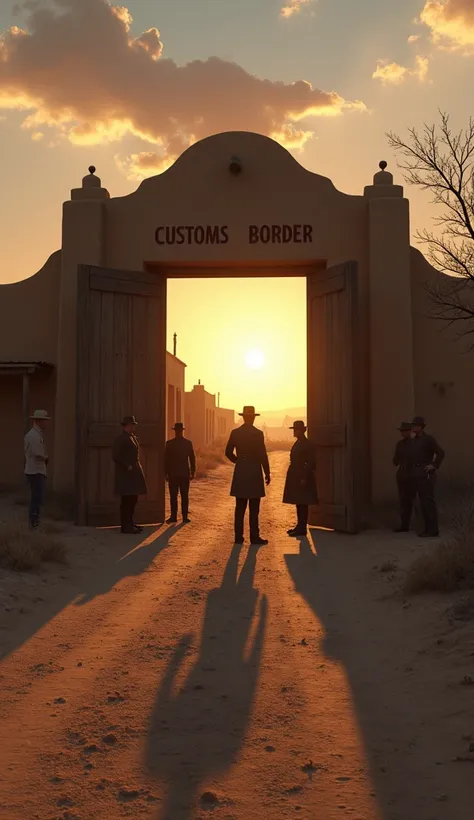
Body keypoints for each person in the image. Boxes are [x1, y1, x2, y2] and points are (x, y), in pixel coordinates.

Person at [225, 406, 270, 546]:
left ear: (243, 417)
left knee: (240, 507)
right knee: (254, 508)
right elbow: (262, 454)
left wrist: (238, 461)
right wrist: (267, 472)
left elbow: (228, 452)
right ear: (253, 417)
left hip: (241, 470)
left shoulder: (235, 433)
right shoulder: (258, 434)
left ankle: (238, 537)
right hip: (255, 470)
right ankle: (254, 537)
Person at [410, 415, 445, 537]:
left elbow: (441, 452)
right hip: (417, 475)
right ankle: (427, 529)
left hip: (426, 475)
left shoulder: (428, 439)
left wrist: (434, 465)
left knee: (428, 502)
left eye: (415, 425)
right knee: (422, 503)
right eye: (413, 425)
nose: (413, 427)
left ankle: (433, 530)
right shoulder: (414, 441)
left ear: (421, 427)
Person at [112, 415, 147, 534]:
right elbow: (116, 456)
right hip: (126, 475)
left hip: (134, 473)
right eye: (132, 425)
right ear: (127, 426)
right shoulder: (121, 439)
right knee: (126, 501)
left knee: (133, 499)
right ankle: (125, 526)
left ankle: (130, 523)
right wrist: (126, 465)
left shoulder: (133, 438)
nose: (133, 427)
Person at [283, 420, 318, 537]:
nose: (294, 432)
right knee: (299, 502)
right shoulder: (298, 443)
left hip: (302, 475)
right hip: (296, 474)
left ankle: (302, 528)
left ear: (301, 431)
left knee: (303, 503)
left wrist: (304, 477)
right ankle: (299, 526)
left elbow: (310, 462)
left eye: (296, 430)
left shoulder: (306, 444)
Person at [164, 422, 196, 524]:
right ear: (182, 431)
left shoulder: (169, 444)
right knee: (184, 496)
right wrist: (192, 471)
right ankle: (184, 517)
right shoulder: (187, 443)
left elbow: (166, 460)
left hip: (173, 473)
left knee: (174, 496)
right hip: (183, 473)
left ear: (175, 431)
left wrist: (166, 473)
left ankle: (174, 516)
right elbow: (192, 458)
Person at [24, 409, 50, 529]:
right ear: (39, 421)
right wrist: (45, 457)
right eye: (44, 421)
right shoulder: (34, 436)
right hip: (36, 470)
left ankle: (34, 521)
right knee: (36, 498)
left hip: (36, 470)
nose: (46, 423)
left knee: (37, 497)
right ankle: (33, 522)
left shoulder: (35, 434)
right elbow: (37, 453)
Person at [392, 422, 416, 532]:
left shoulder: (415, 444)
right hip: (402, 475)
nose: (403, 433)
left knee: (414, 500)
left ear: (410, 431)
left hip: (413, 474)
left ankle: (419, 524)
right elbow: (395, 460)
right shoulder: (399, 444)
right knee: (403, 501)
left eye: (405, 431)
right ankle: (404, 525)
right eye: (402, 431)